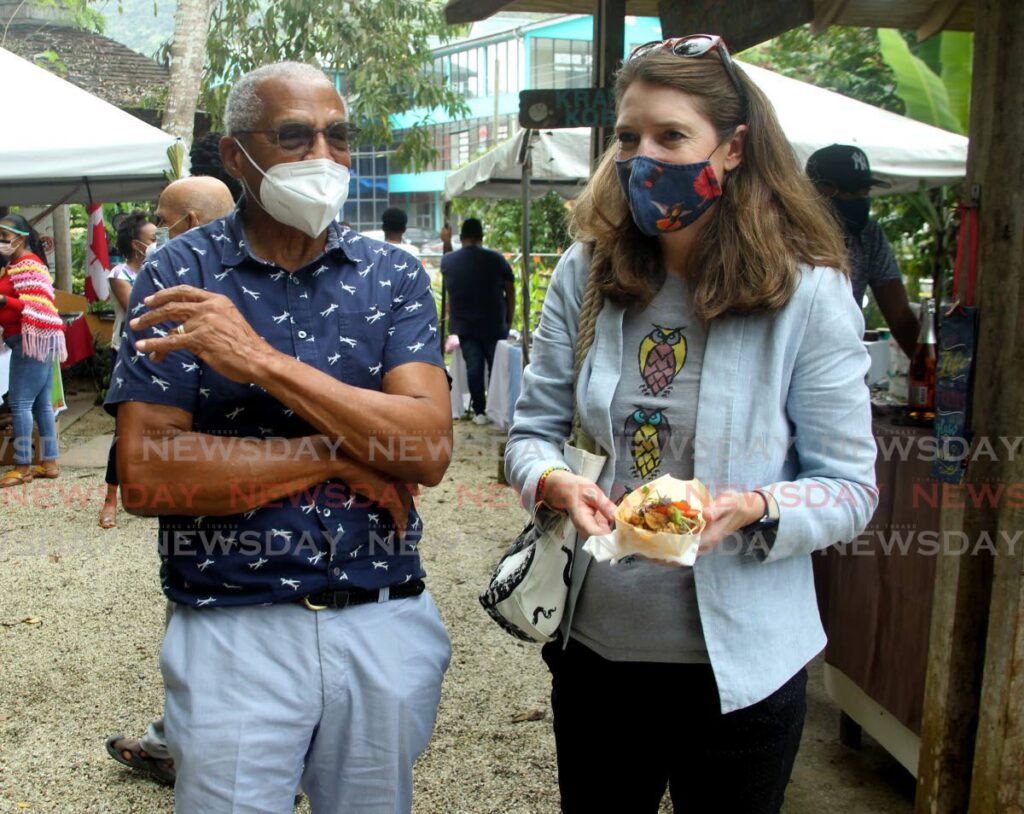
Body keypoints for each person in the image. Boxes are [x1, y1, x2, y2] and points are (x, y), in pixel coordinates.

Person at [504, 35, 878, 813]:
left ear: (734, 147)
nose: (644, 158)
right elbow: (528, 430)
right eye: (628, 137)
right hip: (598, 657)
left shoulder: (807, 295)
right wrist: (553, 479)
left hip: (744, 671)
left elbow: (849, 489)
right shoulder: (590, 271)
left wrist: (757, 508)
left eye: (672, 136)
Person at [105, 61, 452, 813]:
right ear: (237, 156)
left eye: (338, 136)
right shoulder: (182, 272)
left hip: (381, 615)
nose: (322, 156)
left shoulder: (392, 275)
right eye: (294, 136)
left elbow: (425, 450)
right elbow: (149, 474)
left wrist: (259, 361)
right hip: (234, 621)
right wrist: (337, 453)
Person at [103, 176, 235, 784]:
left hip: (216, 518)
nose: (154, 231)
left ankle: (181, 749)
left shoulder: (175, 285)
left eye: (162, 218)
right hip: (222, 513)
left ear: (185, 220)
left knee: (204, 643)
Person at [806, 143, 918, 358]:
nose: (862, 200)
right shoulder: (787, 233)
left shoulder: (869, 236)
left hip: (841, 360)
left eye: (864, 192)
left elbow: (900, 316)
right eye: (853, 193)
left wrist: (936, 377)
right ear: (823, 191)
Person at [0, 214, 66, 488]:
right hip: (32, 339)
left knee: (20, 403)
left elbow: (36, 307)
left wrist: (3, 300)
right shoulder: (15, 265)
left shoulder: (28, 264)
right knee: (40, 405)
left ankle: (24, 466)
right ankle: (49, 462)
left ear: (20, 238)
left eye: (4, 238)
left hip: (33, 339)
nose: (1, 243)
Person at [99, 212, 156, 527]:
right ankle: (110, 500)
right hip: (128, 356)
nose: (157, 244)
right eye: (152, 239)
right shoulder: (119, 272)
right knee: (124, 430)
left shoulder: (163, 268)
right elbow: (140, 308)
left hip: (161, 355)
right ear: (137, 245)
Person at [441, 217, 515, 424]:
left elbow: (447, 260)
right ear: (481, 237)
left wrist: (446, 240)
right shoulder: (497, 259)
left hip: (465, 326)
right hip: (494, 323)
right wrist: (509, 318)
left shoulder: (450, 261)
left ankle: (479, 412)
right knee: (496, 367)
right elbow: (510, 290)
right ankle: (496, 409)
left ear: (462, 237)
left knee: (474, 367)